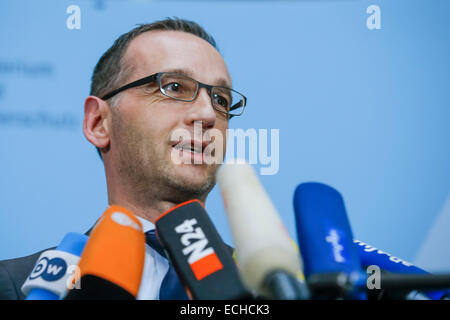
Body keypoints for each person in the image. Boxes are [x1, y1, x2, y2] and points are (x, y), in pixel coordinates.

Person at [0, 17, 247, 300]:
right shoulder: (18, 286)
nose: (207, 115)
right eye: (175, 88)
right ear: (98, 123)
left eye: (221, 100)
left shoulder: (263, 289)